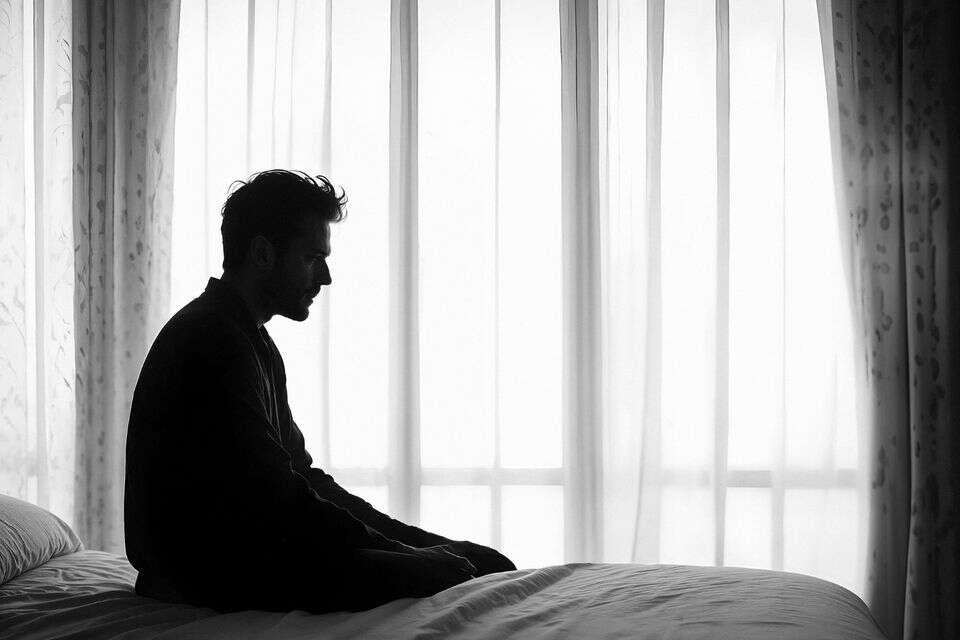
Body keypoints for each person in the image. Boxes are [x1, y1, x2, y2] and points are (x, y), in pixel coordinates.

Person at [124, 170, 515, 613]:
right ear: (263, 254)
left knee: (481, 561)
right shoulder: (212, 339)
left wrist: (418, 542)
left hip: (251, 549)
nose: (325, 277)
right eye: (312, 258)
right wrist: (408, 555)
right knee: (461, 570)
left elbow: (302, 477)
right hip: (205, 570)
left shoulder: (249, 339)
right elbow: (280, 497)